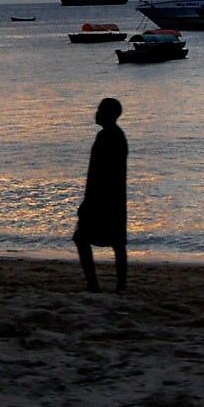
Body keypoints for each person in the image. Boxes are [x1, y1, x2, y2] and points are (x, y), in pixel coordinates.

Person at [75, 98, 129, 292]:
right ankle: (120, 285)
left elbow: (97, 173)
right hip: (114, 199)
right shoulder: (118, 136)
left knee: (82, 238)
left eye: (99, 110)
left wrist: (88, 202)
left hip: (101, 199)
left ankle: (94, 284)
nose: (96, 113)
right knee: (117, 242)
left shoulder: (107, 137)